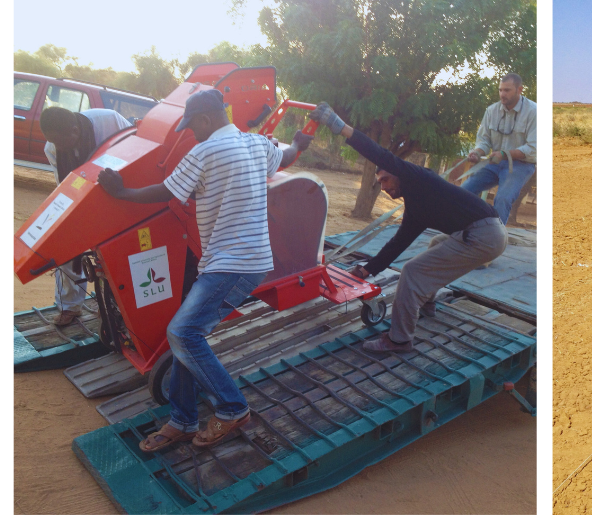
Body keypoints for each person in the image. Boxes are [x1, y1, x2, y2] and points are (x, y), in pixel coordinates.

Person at [97, 89, 311, 450]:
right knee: (188, 334)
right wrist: (300, 142)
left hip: (233, 263)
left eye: (192, 125)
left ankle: (233, 409)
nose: (190, 133)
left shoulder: (206, 151)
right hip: (248, 262)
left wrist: (121, 192)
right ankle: (182, 419)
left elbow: (166, 192)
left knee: (182, 333)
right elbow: (287, 156)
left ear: (207, 119)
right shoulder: (257, 145)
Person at [309, 101, 507, 354]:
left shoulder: (418, 177)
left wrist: (340, 126)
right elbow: (399, 242)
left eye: (386, 179)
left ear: (399, 172)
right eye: (379, 182)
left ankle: (399, 340)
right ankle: (428, 302)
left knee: (411, 272)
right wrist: (368, 269)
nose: (384, 187)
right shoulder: (416, 207)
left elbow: (380, 155)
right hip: (489, 233)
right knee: (436, 245)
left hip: (482, 235)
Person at [39, 105, 132, 327]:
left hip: (118, 191)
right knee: (65, 245)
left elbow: (136, 145)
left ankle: (111, 305)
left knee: (113, 251)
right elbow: (65, 185)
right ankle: (69, 307)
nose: (55, 146)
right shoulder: (52, 149)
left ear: (74, 131)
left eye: (58, 141)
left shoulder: (108, 120)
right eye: (51, 141)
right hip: (81, 195)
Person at [461, 72, 537, 224]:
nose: (502, 94)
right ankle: (465, 229)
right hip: (494, 163)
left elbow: (533, 148)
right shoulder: (491, 111)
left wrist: (504, 154)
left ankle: (495, 240)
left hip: (521, 165)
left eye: (507, 90)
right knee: (463, 191)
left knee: (502, 199)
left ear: (520, 89)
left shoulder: (534, 111)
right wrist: (477, 152)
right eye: (500, 90)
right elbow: (484, 141)